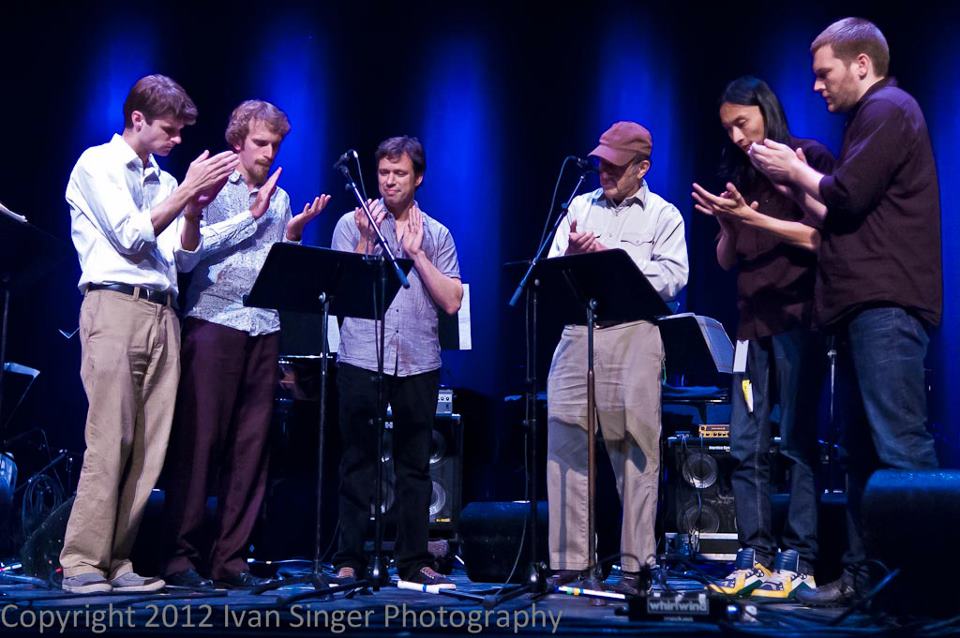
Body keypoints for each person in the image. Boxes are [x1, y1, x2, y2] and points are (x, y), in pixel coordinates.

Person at [748, 18, 941, 605]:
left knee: (899, 449)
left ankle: (927, 590)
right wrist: (783, 176)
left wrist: (795, 171)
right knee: (859, 453)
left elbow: (845, 195)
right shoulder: (867, 122)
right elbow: (838, 213)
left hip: (886, 308)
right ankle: (862, 581)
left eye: (823, 73)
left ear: (862, 64)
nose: (815, 87)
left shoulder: (889, 109)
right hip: (860, 311)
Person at [62, 74, 238, 594]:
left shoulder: (162, 179)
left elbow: (181, 256)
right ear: (137, 120)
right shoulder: (97, 164)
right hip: (115, 306)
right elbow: (131, 236)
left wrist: (191, 212)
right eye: (170, 129)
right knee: (109, 439)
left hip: (164, 312)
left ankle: (117, 560)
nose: (177, 140)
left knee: (149, 448)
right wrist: (184, 190)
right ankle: (79, 562)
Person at [162, 100, 330, 589]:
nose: (269, 152)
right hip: (214, 321)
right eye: (261, 143)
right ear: (238, 141)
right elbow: (188, 254)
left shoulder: (279, 197)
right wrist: (248, 216)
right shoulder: (211, 183)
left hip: (263, 326)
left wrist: (292, 236)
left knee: (250, 450)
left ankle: (230, 562)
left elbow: (271, 262)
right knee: (200, 444)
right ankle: (179, 560)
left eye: (276, 144)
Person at [691, 76, 835, 600]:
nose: (735, 136)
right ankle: (755, 553)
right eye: (727, 127)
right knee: (746, 444)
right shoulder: (741, 175)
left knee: (796, 442)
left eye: (742, 123)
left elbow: (823, 236)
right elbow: (727, 259)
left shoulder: (806, 157)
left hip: (798, 321)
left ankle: (799, 557)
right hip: (751, 327)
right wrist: (731, 226)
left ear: (765, 111)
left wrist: (756, 219)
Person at [546, 121, 688, 595]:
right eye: (601, 161)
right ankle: (571, 562)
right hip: (577, 330)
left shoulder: (663, 215)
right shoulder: (579, 206)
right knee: (566, 444)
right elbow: (549, 267)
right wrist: (571, 254)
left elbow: (673, 278)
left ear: (642, 168)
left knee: (634, 450)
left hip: (634, 334)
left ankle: (635, 566)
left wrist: (611, 254)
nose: (603, 170)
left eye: (615, 164)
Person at [330, 136, 462, 587]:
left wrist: (418, 254)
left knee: (413, 465)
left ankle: (413, 560)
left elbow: (451, 301)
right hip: (362, 357)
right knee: (357, 461)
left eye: (399, 173)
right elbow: (341, 292)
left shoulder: (438, 234)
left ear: (418, 178)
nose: (389, 181)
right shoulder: (352, 224)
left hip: (419, 360)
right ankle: (349, 558)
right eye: (384, 172)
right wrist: (367, 243)